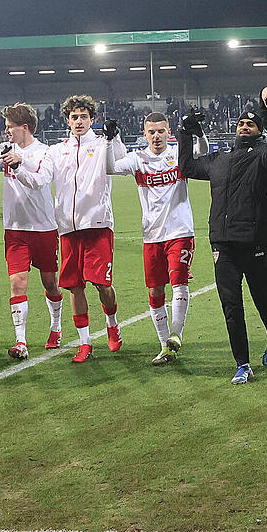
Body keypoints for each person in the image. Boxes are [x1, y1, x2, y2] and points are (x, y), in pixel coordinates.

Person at [178, 90, 267, 384]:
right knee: (231, 306)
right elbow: (186, 167)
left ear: (259, 130)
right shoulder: (219, 160)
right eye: (241, 124)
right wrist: (185, 131)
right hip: (222, 244)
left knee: (264, 299)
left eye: (251, 124)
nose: (244, 127)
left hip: (254, 242)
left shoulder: (265, 157)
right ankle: (242, 364)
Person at [0, 103, 65, 359]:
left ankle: (56, 327)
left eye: (9, 127)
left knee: (50, 283)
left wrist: (19, 165)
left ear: (24, 127)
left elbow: (40, 182)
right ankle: (21, 341)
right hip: (15, 230)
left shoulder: (44, 153)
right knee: (17, 284)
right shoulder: (6, 150)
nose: (6, 132)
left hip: (44, 228)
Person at [42, 95, 127, 363]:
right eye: (74, 117)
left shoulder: (103, 144)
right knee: (74, 287)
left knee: (102, 283)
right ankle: (85, 342)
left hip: (98, 224)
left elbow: (120, 165)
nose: (79, 121)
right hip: (67, 228)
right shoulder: (57, 150)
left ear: (92, 119)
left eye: (84, 116)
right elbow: (41, 174)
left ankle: (112, 325)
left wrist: (115, 138)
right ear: (67, 120)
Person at [105, 112, 195, 366]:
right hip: (151, 235)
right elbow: (110, 167)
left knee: (178, 283)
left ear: (169, 133)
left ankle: (175, 334)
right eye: (152, 132)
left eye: (161, 131)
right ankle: (165, 345)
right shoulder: (138, 159)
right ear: (145, 134)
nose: (156, 136)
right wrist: (111, 140)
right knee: (155, 291)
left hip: (180, 232)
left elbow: (200, 150)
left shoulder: (178, 154)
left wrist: (195, 131)